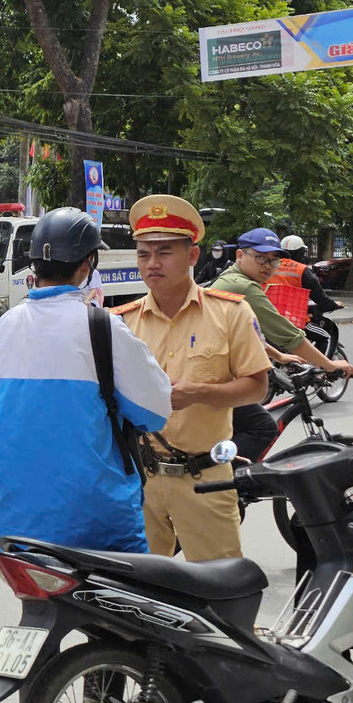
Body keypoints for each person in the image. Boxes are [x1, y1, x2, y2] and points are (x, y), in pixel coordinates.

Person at [0, 209, 173, 552]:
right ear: (88, 263)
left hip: (14, 529)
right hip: (98, 526)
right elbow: (156, 411)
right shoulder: (102, 326)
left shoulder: (5, 326)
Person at [116, 197, 273, 561]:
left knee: (219, 592)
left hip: (206, 479)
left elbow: (257, 386)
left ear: (192, 256)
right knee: (140, 597)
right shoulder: (122, 322)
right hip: (142, 482)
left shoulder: (230, 313)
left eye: (164, 252)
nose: (152, 263)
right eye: (144, 254)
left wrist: (199, 393)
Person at [213, 230, 353, 381]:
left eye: (273, 260)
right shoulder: (244, 286)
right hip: (214, 374)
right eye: (261, 258)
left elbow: (249, 335)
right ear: (240, 256)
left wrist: (279, 356)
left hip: (217, 366)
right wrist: (329, 365)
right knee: (256, 389)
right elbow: (288, 336)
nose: (268, 266)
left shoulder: (229, 276)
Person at [280, 234, 343, 350]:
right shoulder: (302, 271)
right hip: (294, 320)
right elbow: (320, 298)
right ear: (300, 253)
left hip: (269, 318)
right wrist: (334, 305)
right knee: (324, 336)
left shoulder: (268, 267)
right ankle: (319, 366)